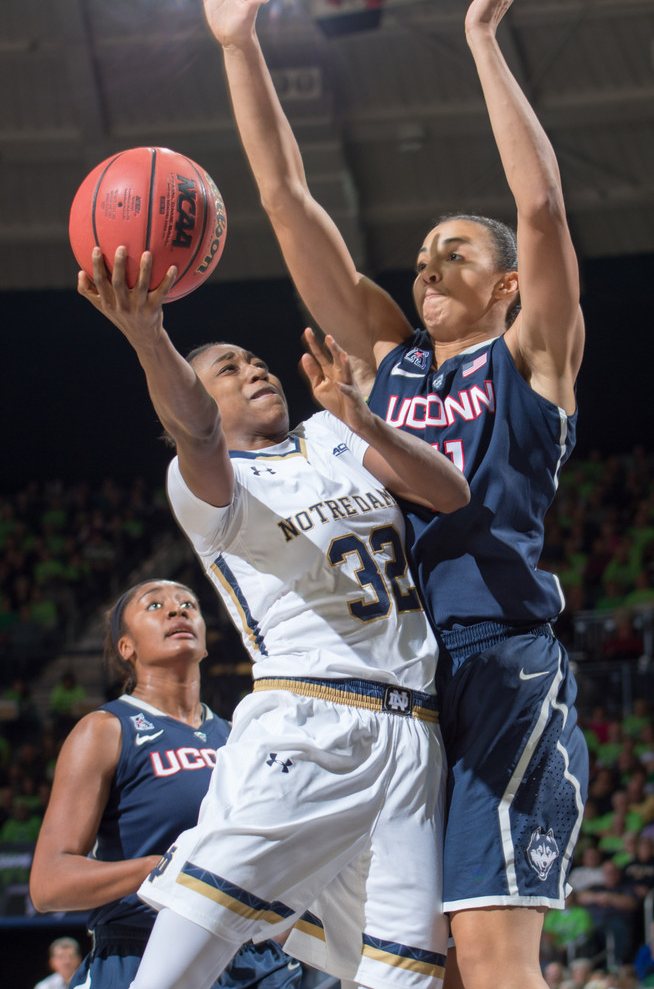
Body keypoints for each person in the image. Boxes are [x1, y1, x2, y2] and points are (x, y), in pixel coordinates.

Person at [168, 0, 589, 986]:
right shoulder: (390, 361)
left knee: (492, 961)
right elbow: (282, 197)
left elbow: (539, 207)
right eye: (419, 255)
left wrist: (482, 37)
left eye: (453, 254)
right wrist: (238, 43)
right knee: (415, 967)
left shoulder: (532, 358)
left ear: (503, 286)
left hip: (496, 662)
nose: (426, 266)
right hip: (397, 687)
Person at [66, 240, 469, 989]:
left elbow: (450, 494)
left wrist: (367, 420)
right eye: (228, 368)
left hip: (413, 734)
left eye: (257, 360)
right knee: (179, 969)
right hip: (309, 724)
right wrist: (149, 334)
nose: (254, 370)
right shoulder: (210, 488)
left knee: (407, 976)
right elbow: (194, 429)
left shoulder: (332, 436)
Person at [30, 579, 302, 989]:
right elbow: (49, 885)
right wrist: (162, 868)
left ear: (206, 642)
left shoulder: (238, 735)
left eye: (189, 604)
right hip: (141, 951)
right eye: (154, 605)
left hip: (247, 956)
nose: (177, 611)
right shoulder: (105, 730)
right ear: (127, 647)